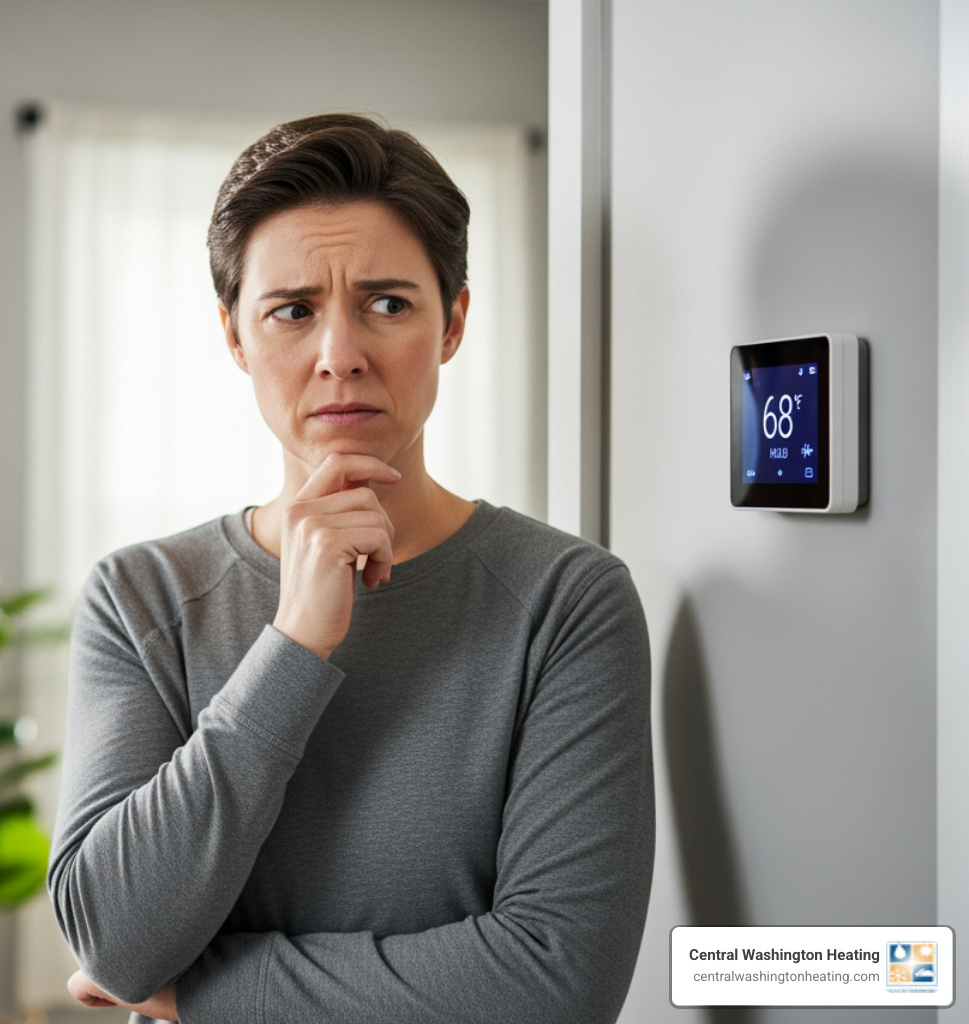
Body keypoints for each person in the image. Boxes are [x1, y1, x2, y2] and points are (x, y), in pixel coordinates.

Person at [47, 113, 654, 1023]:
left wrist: (199, 993)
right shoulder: (142, 598)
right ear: (235, 339)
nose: (341, 356)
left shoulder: (566, 601)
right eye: (293, 310)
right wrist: (293, 643)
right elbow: (116, 941)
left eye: (388, 303)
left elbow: (555, 986)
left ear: (451, 323)